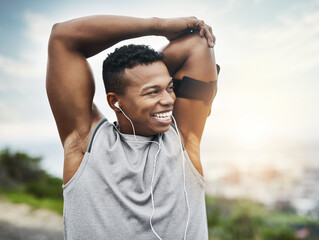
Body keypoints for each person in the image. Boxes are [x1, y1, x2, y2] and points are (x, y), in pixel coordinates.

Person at [46, 15, 218, 240]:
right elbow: (63, 37)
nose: (168, 100)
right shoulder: (84, 142)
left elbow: (198, 43)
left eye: (169, 87)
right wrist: (158, 26)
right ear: (115, 102)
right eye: (152, 92)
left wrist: (145, 69)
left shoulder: (185, 137)